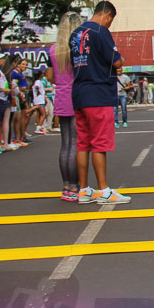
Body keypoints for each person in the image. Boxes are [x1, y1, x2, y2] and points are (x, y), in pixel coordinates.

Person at [70, 1, 131, 205]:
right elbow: (116, 61)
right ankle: (104, 190)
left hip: (79, 93)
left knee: (83, 143)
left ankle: (84, 189)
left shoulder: (75, 34)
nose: (110, 24)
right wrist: (119, 63)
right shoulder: (101, 32)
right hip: (98, 94)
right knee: (99, 144)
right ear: (107, 15)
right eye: (111, 20)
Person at [52, 11, 83, 201]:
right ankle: (75, 186)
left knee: (65, 143)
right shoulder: (76, 50)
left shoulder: (53, 51)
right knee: (76, 143)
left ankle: (66, 185)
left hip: (60, 97)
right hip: (76, 96)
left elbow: (50, 77)